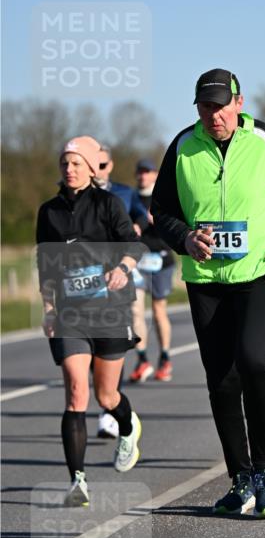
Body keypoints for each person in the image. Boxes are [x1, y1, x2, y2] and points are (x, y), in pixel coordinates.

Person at [151, 69, 265, 517]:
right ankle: (240, 478)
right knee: (221, 379)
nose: (214, 115)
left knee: (253, 359)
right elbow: (162, 209)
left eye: (220, 105)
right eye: (205, 107)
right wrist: (185, 238)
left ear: (239, 102)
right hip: (206, 279)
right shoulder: (183, 146)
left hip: (262, 271)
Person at [36, 136, 144, 506]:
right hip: (70, 314)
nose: (70, 169)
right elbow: (45, 265)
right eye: (65, 163)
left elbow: (134, 244)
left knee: (106, 394)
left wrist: (124, 269)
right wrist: (49, 309)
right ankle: (77, 482)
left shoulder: (108, 204)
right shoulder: (48, 212)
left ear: (91, 167)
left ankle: (127, 427)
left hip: (110, 310)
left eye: (77, 163)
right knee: (76, 395)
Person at [95, 144, 149, 437]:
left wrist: (136, 227)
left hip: (121, 270)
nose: (97, 171)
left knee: (128, 319)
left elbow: (142, 214)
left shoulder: (124, 193)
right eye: (94, 164)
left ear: (110, 166)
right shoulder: (75, 195)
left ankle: (109, 406)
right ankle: (108, 402)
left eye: (103, 165)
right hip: (86, 281)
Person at [130, 157, 176, 383]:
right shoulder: (130, 198)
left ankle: (165, 357)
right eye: (140, 172)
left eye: (148, 172)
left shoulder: (164, 195)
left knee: (159, 311)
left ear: (156, 174)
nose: (143, 176)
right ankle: (142, 359)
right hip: (137, 260)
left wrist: (158, 219)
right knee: (135, 309)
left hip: (161, 259)